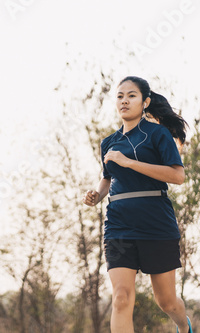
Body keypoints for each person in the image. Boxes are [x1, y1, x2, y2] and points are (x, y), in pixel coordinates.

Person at [82, 76, 193, 333]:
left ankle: (183, 326)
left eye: (131, 95)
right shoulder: (108, 142)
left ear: (146, 102)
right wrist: (96, 195)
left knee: (166, 301)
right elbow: (108, 177)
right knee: (121, 298)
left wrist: (129, 162)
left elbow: (177, 176)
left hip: (156, 223)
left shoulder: (158, 134)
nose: (124, 101)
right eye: (120, 96)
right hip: (119, 225)